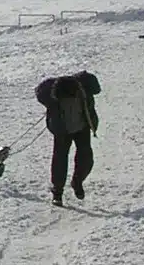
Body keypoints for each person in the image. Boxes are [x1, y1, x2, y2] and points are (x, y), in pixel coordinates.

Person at [37, 71, 101, 206]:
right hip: (62, 130)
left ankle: (77, 182)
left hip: (82, 127)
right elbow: (39, 93)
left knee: (86, 158)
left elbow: (97, 89)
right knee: (59, 160)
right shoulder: (49, 91)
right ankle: (57, 193)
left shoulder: (84, 84)